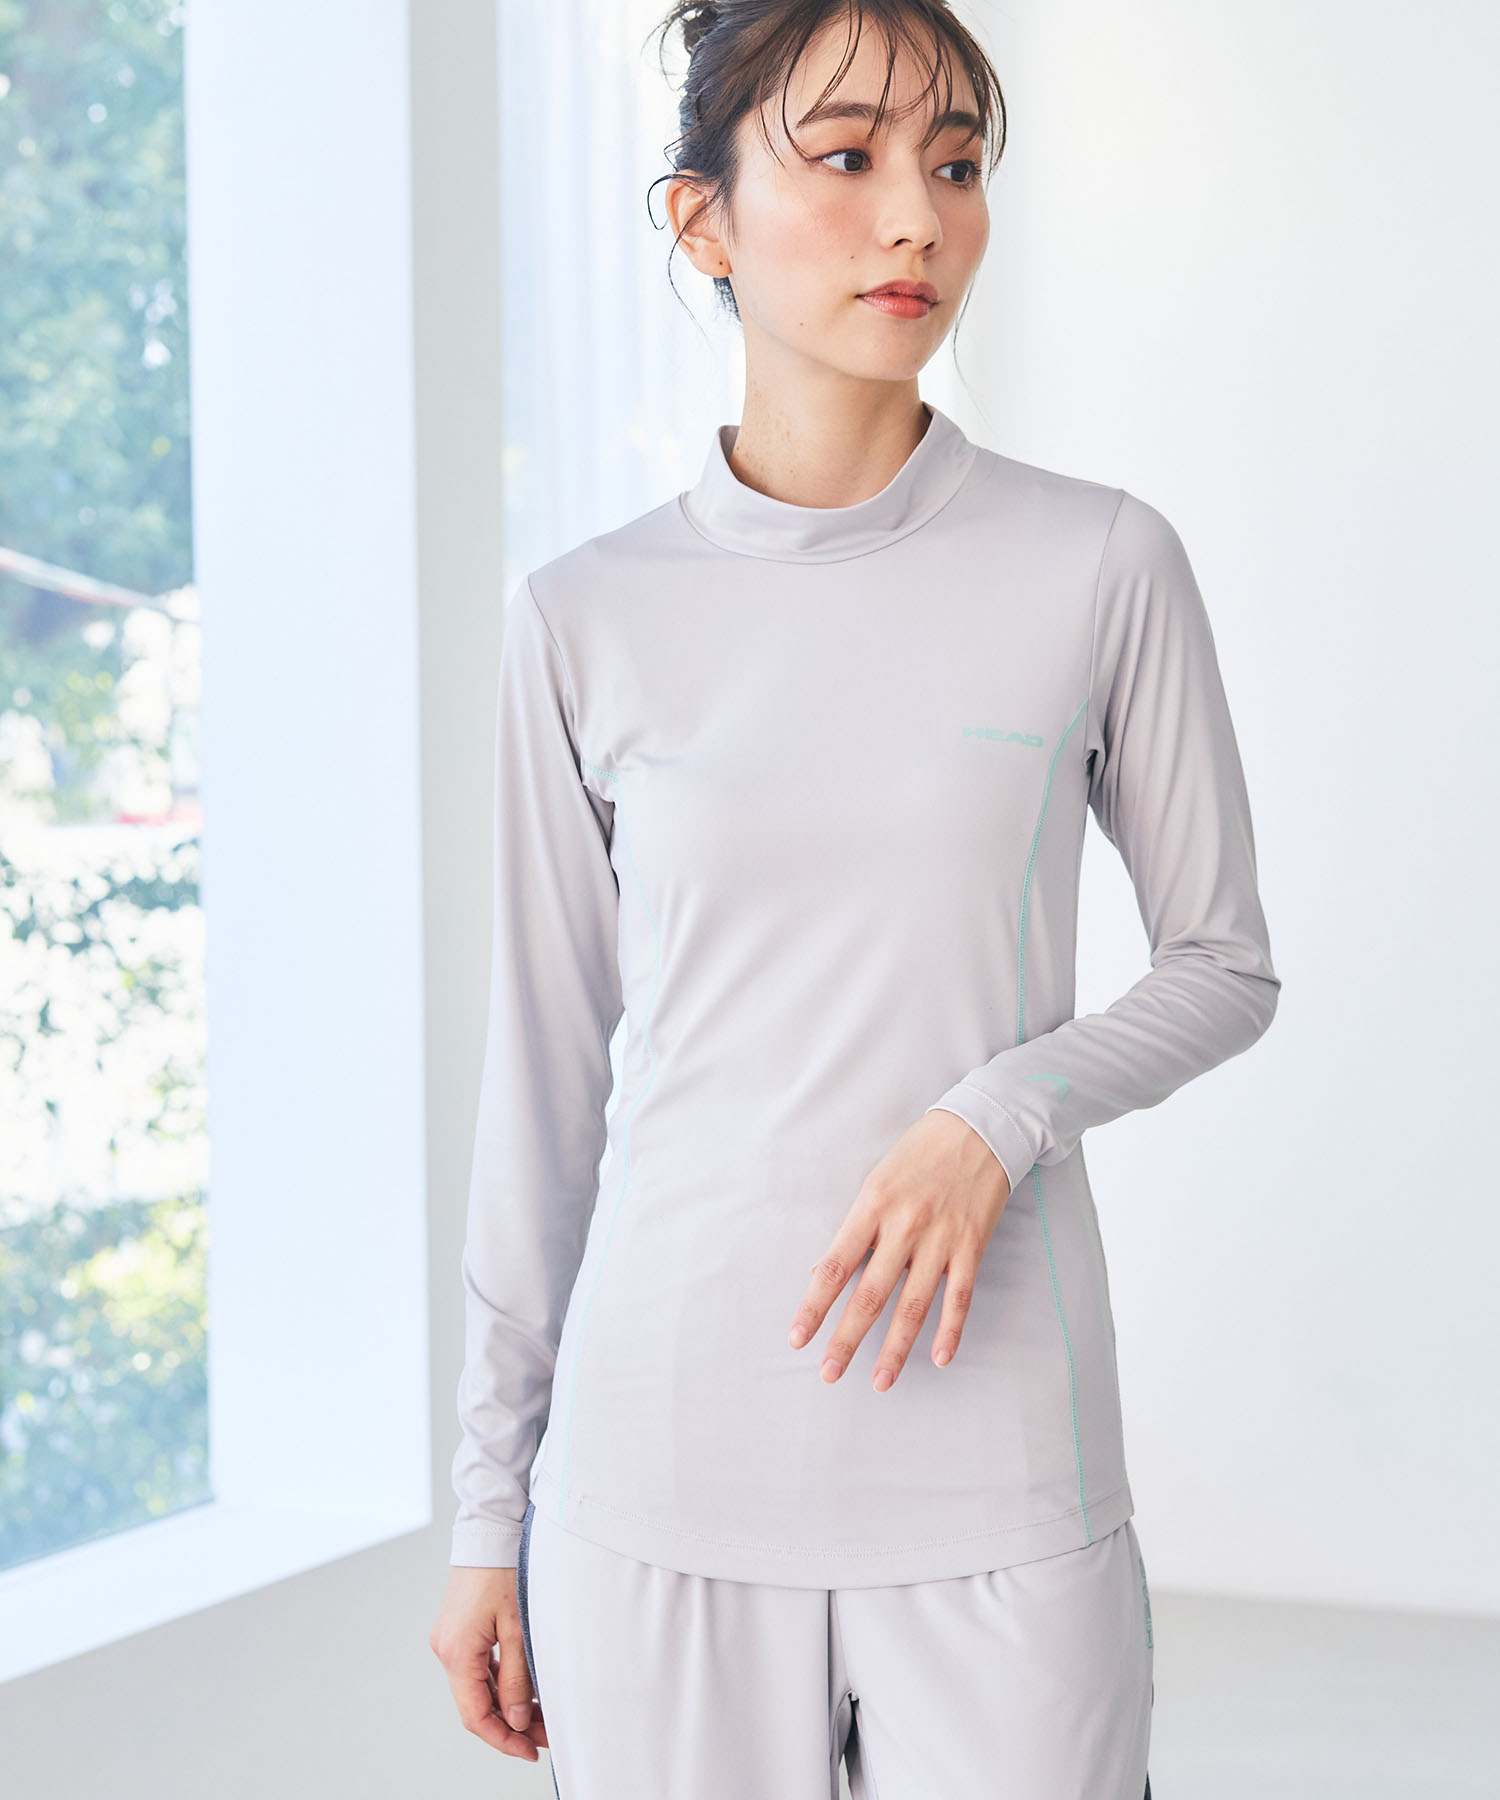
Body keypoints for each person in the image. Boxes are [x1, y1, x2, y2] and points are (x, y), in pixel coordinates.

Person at [428, 3, 1280, 1795]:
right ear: (702, 220)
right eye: (846, 157)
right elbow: (547, 1088)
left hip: (1002, 1471)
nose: (918, 216)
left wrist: (997, 1114)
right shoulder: (581, 619)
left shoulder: (1100, 562)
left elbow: (1221, 962)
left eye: (957, 166)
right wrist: (489, 1510)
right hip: (657, 1472)